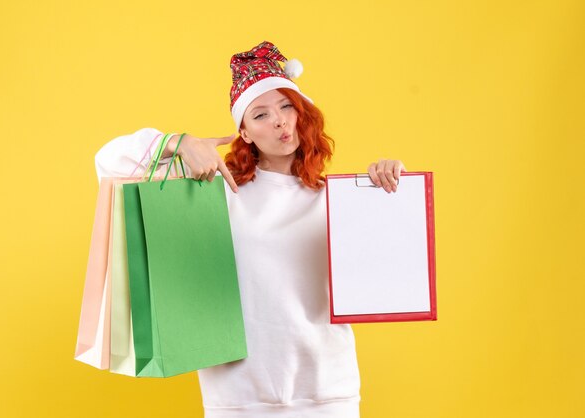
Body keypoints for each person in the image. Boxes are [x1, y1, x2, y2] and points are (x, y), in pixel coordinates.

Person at [95, 41, 405, 418]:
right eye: (260, 115)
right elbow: (108, 162)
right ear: (243, 133)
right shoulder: (217, 193)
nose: (278, 121)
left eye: (286, 106)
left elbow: (384, 266)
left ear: (300, 113)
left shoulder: (336, 197)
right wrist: (179, 144)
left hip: (328, 390)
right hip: (238, 393)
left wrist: (384, 188)